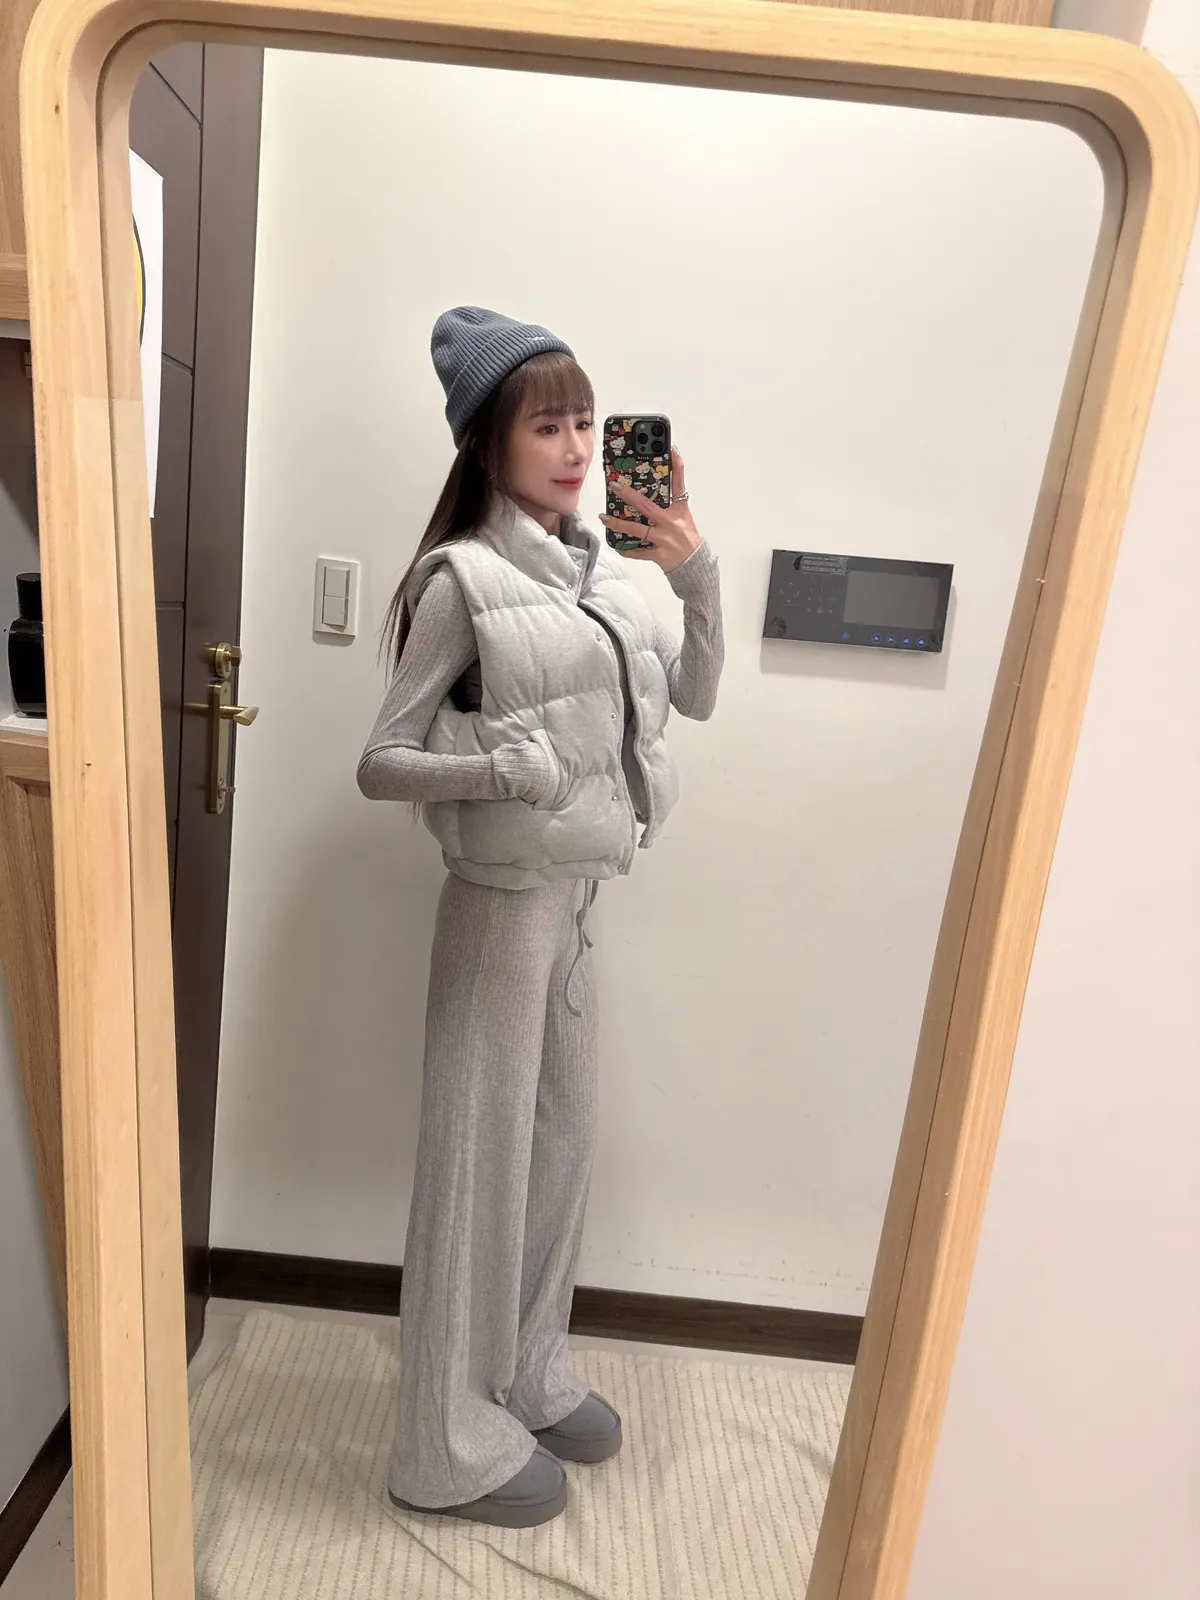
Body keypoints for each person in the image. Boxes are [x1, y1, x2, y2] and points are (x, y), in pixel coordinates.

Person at [357, 305, 725, 1528]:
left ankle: (524, 1373)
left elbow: (696, 696)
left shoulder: (604, 575)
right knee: (476, 1168)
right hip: (496, 916)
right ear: (487, 444)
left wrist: (696, 575)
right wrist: (490, 771)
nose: (574, 448)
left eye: (583, 422)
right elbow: (380, 760)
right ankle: (440, 1446)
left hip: (574, 905)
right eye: (546, 426)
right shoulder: (460, 581)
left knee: (559, 1151)